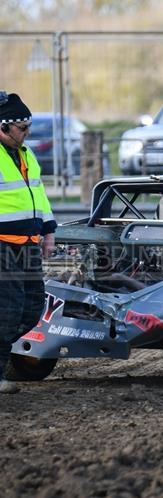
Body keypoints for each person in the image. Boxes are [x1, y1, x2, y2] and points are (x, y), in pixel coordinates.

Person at [0, 92, 57, 394]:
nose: (27, 133)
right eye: (22, 127)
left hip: (28, 243)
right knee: (7, 311)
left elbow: (39, 197)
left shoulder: (26, 155)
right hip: (3, 244)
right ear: (3, 127)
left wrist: (49, 231)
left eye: (27, 126)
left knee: (33, 307)